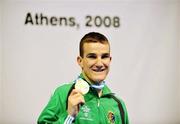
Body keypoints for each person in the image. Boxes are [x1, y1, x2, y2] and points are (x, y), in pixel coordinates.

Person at [37, 32, 129, 124]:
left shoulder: (118, 104)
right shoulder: (64, 94)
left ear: (110, 60)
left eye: (104, 56)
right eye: (92, 57)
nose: (99, 64)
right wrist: (69, 117)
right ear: (80, 61)